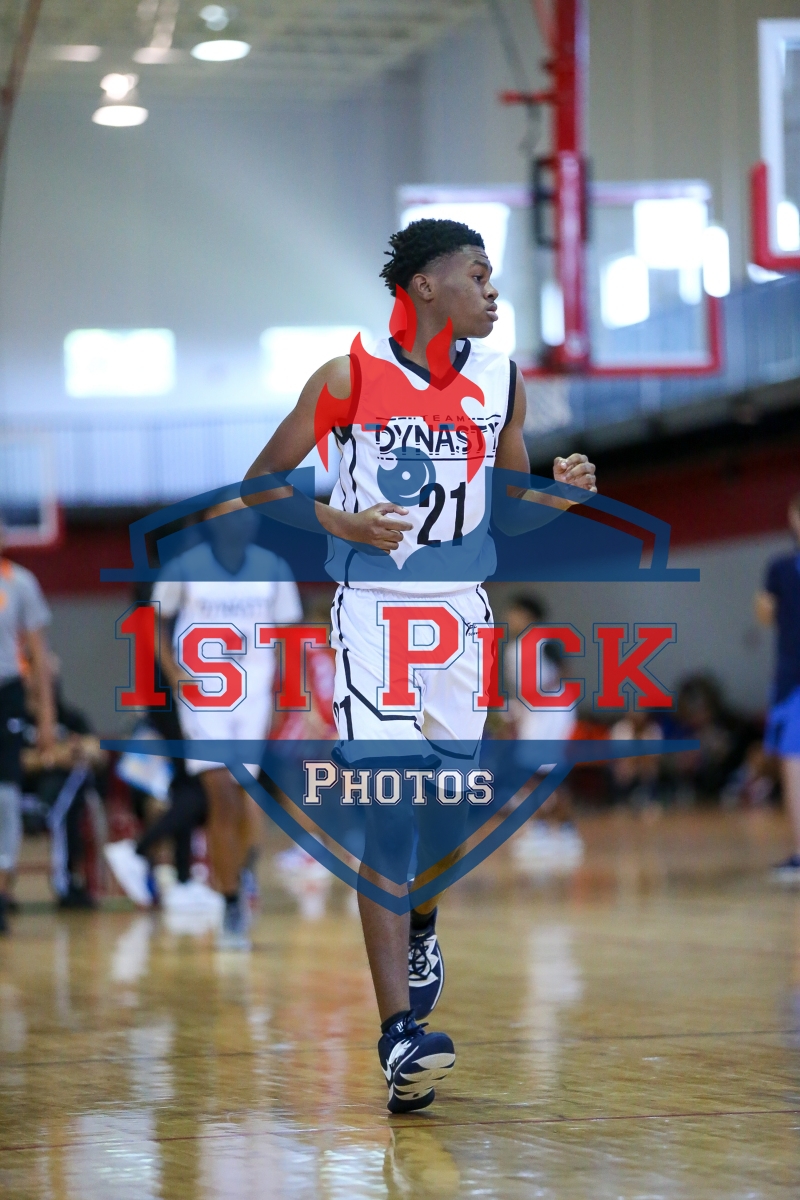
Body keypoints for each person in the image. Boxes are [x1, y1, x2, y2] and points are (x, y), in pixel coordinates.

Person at [244, 218, 597, 1112]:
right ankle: (398, 1034)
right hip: (373, 614)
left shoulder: (501, 381)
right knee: (389, 814)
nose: (493, 291)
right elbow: (260, 486)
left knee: (444, 815)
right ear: (426, 286)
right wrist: (342, 521)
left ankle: (423, 918)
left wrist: (558, 497)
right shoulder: (347, 377)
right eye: (479, 274)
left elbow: (509, 513)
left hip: (462, 617)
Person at [105, 498, 302, 947]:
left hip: (254, 698)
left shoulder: (274, 569)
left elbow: (290, 637)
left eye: (244, 512)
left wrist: (288, 695)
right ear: (208, 523)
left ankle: (240, 875)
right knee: (220, 795)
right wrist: (174, 672)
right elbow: (153, 623)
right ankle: (229, 901)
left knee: (246, 796)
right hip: (203, 697)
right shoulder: (184, 568)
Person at [0, 519, 55, 932]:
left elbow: (38, 653)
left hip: (6, 693)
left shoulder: (20, 583)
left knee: (5, 793)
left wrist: (47, 717)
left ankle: (2, 886)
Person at [503, 594, 584, 870]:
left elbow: (563, 672)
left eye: (515, 612)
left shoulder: (545, 641)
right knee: (534, 772)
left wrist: (543, 692)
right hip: (532, 713)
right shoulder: (513, 649)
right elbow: (519, 689)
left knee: (539, 771)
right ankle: (554, 827)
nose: (510, 618)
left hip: (552, 712)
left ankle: (550, 828)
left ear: (529, 616)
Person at [756, 492, 800, 882]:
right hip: (792, 681)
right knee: (793, 764)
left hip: (791, 680)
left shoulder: (781, 568)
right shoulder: (780, 567)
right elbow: (765, 614)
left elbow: (766, 613)